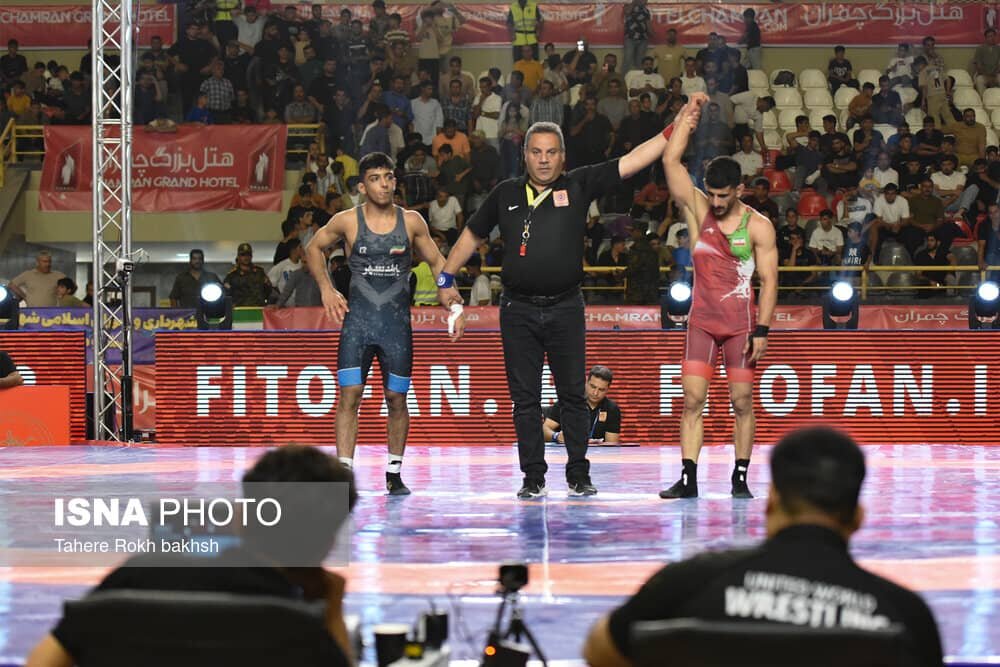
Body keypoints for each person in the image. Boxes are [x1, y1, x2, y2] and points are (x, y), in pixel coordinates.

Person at [435, 96, 711, 499]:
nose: (544, 160)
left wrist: (677, 124)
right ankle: (533, 477)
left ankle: (579, 474)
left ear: (563, 156)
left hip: (565, 306)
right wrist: (445, 276)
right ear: (525, 155)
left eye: (551, 152)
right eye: (536, 152)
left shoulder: (578, 184)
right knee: (524, 400)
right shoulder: (505, 193)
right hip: (517, 309)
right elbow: (471, 235)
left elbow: (632, 160)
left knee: (572, 396)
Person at [583, 427, 945, 667]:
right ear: (858, 517)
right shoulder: (905, 615)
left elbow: (598, 651)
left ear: (770, 503)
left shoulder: (690, 582)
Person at [27, 445, 358, 667]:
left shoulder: (135, 578)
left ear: (241, 518)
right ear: (328, 544)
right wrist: (332, 608)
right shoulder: (298, 626)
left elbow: (42, 662)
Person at [304, 152, 465, 496]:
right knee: (350, 396)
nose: (384, 184)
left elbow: (438, 262)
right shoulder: (347, 220)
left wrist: (454, 305)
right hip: (357, 326)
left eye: (389, 177)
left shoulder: (412, 222)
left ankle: (394, 473)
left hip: (396, 328)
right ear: (362, 186)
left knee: (396, 398)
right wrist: (326, 289)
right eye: (375, 179)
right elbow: (314, 248)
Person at [658, 97, 778, 499]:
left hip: (741, 327)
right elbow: (671, 161)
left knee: (742, 402)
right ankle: (688, 479)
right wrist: (687, 117)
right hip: (702, 323)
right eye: (711, 193)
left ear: (740, 190)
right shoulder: (698, 208)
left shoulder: (758, 226)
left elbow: (769, 280)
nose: (716, 202)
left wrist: (763, 330)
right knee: (693, 399)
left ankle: (739, 477)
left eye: (724, 195)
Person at [543, 365, 621, 445]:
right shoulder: (568, 401)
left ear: (607, 389)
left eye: (601, 390)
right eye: (593, 387)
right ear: (586, 382)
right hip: (566, 451)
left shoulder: (612, 409)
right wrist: (556, 436)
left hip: (597, 452)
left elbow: (611, 446)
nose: (595, 393)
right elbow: (544, 430)